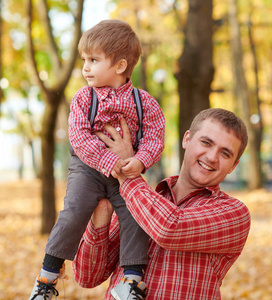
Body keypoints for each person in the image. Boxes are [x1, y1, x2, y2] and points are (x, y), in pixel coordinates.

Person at [29, 20, 165, 300]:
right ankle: (47, 277)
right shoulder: (83, 99)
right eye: (84, 60)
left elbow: (155, 136)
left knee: (135, 216)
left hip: (125, 172)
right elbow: (79, 137)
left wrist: (139, 161)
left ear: (119, 66)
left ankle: (132, 280)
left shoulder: (144, 102)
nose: (85, 67)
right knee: (74, 211)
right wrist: (107, 160)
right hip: (88, 168)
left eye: (93, 60)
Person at [73, 108, 251, 299]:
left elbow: (170, 228)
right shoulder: (140, 198)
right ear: (187, 139)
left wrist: (124, 169)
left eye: (225, 153)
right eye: (206, 143)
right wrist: (102, 212)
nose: (212, 157)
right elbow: (87, 277)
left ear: (234, 166)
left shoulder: (234, 213)